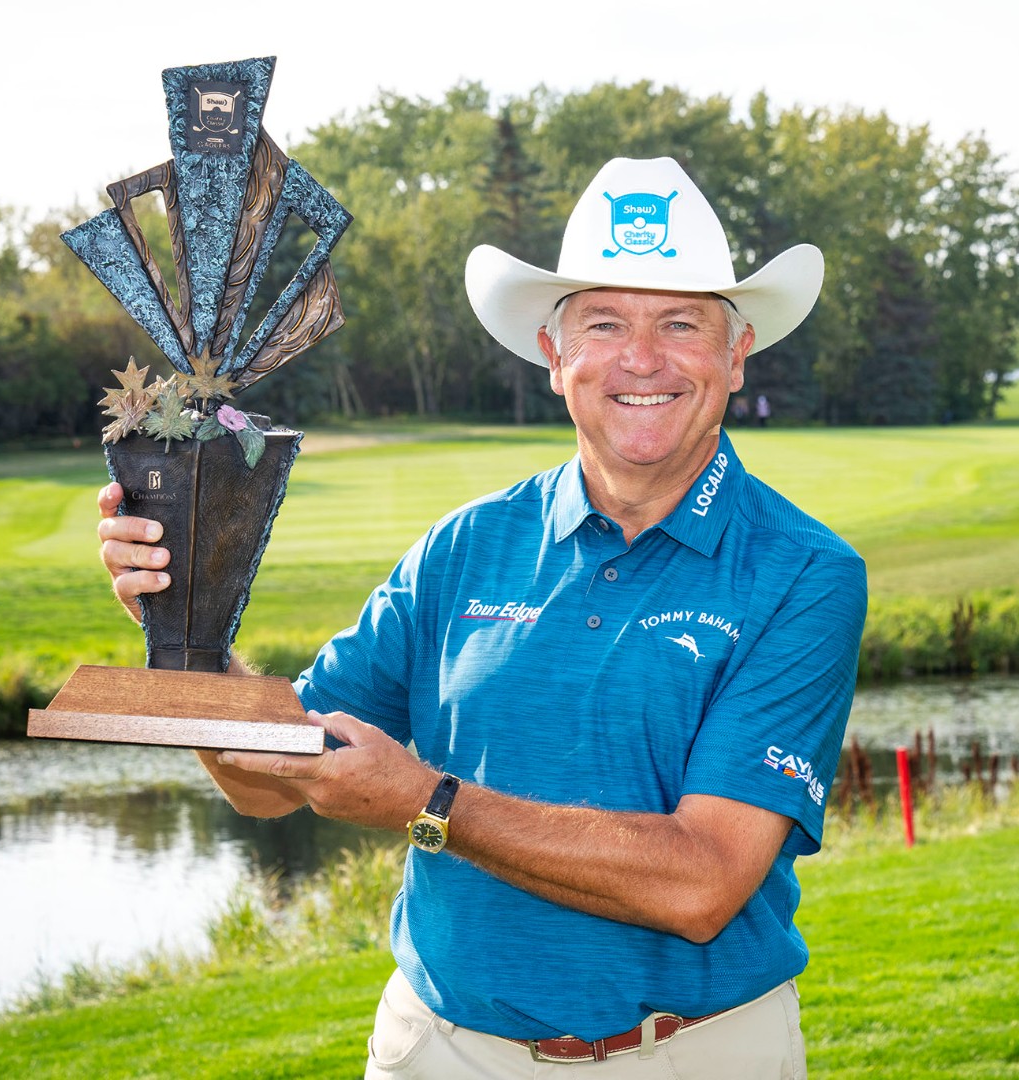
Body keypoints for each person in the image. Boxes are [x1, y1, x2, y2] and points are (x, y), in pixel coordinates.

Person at [99, 157, 867, 1078]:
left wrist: (429, 805)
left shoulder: (805, 572)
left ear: (736, 355)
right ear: (554, 356)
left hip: (695, 1054)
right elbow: (270, 784)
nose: (641, 358)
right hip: (443, 1049)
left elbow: (702, 883)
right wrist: (190, 636)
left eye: (681, 323)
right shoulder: (464, 546)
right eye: (604, 322)